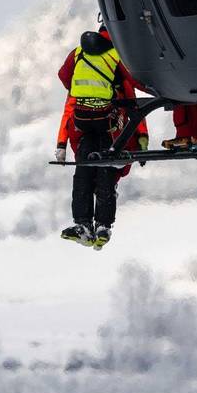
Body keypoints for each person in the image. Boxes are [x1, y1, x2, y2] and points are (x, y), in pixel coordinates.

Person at [56, 28, 147, 249]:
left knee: (83, 174)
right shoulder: (117, 55)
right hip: (109, 126)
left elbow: (65, 82)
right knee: (106, 173)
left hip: (83, 124)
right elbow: (134, 94)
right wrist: (142, 136)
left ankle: (83, 224)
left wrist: (60, 144)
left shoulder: (78, 54)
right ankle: (103, 225)